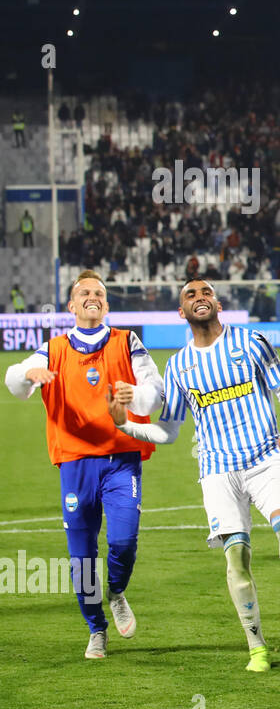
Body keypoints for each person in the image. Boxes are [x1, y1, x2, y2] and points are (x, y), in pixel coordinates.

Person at [109, 278, 280, 670]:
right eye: (190, 295)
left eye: (205, 292)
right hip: (217, 470)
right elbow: (169, 432)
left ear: (218, 303)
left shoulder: (251, 342)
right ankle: (257, 646)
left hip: (264, 457)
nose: (199, 298)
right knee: (236, 557)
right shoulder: (178, 366)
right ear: (181, 312)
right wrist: (125, 427)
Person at [5, 270, 163, 659]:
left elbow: (155, 391)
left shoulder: (128, 341)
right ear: (72, 306)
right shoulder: (53, 348)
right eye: (84, 293)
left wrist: (137, 395)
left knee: (124, 541)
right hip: (76, 464)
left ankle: (116, 590)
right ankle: (96, 629)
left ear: (106, 305)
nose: (93, 297)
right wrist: (28, 374)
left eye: (99, 293)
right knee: (81, 557)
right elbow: (12, 379)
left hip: (120, 459)